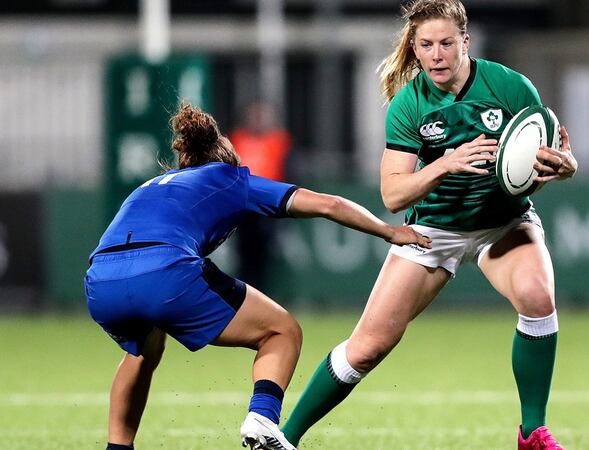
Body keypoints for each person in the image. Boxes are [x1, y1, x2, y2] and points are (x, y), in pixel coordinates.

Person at [280, 1, 578, 449]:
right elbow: (393, 195)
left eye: (445, 43)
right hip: (432, 231)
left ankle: (532, 432)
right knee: (367, 348)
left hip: (503, 222)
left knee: (538, 297)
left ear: (465, 42)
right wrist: (446, 164)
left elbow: (542, 157)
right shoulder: (408, 105)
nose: (437, 54)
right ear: (414, 49)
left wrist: (565, 166)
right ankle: (283, 438)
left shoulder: (510, 86)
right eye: (426, 45)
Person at [84, 103, 431, 450]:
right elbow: (330, 204)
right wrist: (389, 231)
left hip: (101, 282)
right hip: (163, 272)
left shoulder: (149, 185)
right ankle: (262, 420)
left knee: (143, 352)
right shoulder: (229, 177)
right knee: (282, 330)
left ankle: (117, 448)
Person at [229, 101, 292, 289]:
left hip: (268, 207)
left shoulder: (279, 142)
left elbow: (287, 171)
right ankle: (243, 296)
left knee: (264, 259)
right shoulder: (237, 139)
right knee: (244, 257)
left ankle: (262, 298)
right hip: (242, 208)